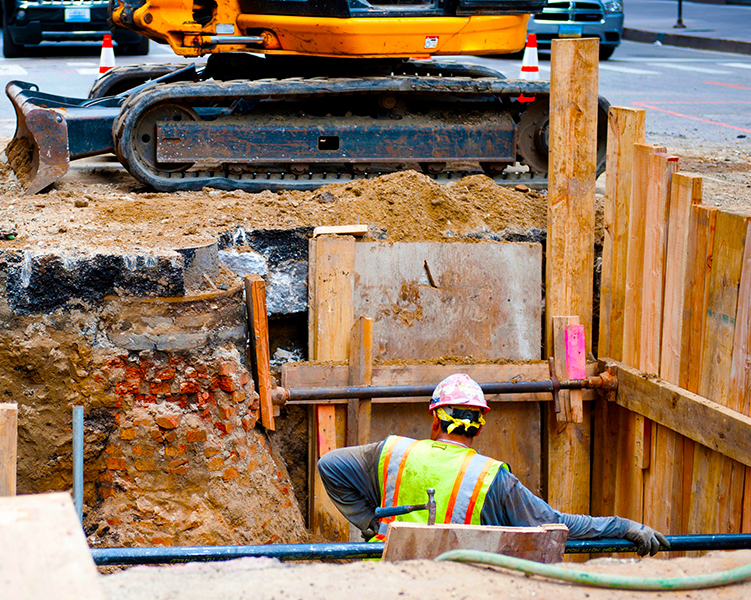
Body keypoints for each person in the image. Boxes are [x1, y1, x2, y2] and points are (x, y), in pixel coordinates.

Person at [318, 373, 669, 557]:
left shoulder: (393, 452)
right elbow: (557, 525)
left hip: (382, 579)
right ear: (479, 427)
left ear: (435, 420)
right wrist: (621, 526)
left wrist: (370, 523)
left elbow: (330, 465)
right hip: (455, 584)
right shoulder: (491, 478)